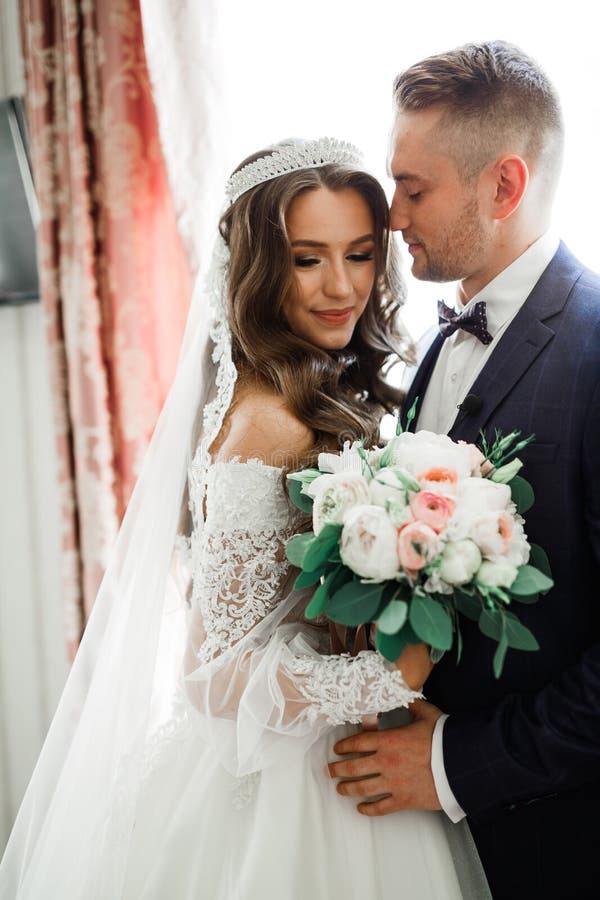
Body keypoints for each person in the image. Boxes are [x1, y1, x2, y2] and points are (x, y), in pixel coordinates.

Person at [0, 138, 490, 898]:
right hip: (285, 788)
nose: (341, 286)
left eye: (360, 254)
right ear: (258, 269)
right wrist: (386, 677)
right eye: (306, 259)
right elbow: (210, 675)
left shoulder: (313, 391)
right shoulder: (269, 424)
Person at [328, 41, 600, 900]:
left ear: (504, 185)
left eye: (414, 190)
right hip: (427, 849)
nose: (393, 217)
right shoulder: (442, 337)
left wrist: (453, 763)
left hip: (559, 843)